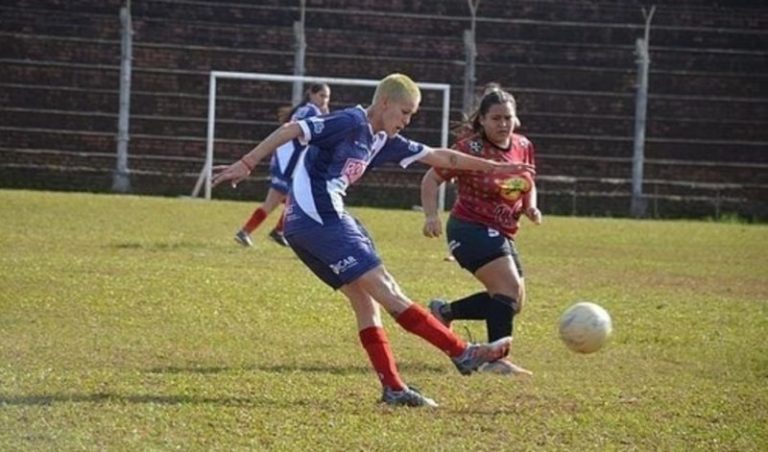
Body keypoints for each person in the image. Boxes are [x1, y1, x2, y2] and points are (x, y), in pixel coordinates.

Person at [212, 73, 535, 408]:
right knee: (387, 289)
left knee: (366, 302)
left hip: (307, 226)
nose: (407, 121)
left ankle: (394, 388)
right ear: (385, 103)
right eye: (405, 112)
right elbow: (293, 130)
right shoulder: (350, 121)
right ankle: (462, 353)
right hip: (320, 220)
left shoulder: (383, 140)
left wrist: (493, 168)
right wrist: (247, 162)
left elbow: (444, 158)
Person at [420, 88, 541, 377]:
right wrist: (430, 216)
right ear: (482, 120)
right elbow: (430, 178)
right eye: (496, 118)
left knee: (514, 302)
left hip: (503, 232)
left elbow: (528, 180)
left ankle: (445, 312)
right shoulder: (468, 149)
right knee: (508, 290)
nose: (503, 124)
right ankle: (494, 359)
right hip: (469, 228)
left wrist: (530, 206)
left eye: (508, 118)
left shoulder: (523, 145)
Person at [234, 83, 332, 248]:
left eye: (327, 97)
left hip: (288, 159)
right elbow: (314, 134)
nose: (325, 100)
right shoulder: (311, 112)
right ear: (312, 95)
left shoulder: (307, 110)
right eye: (322, 95)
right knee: (275, 202)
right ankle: (245, 232)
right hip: (290, 161)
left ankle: (278, 231)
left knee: (294, 199)